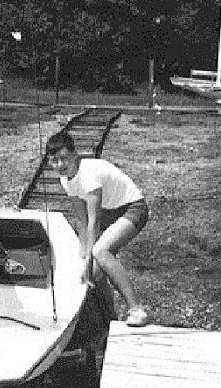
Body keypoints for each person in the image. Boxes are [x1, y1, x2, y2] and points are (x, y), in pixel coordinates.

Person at [46, 130, 150, 327]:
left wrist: (89, 259)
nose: (59, 165)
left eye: (64, 158)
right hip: (110, 211)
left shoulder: (88, 175)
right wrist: (83, 259)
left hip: (132, 208)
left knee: (101, 251)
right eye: (54, 161)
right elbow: (81, 220)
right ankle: (109, 319)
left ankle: (137, 310)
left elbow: (94, 222)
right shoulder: (66, 179)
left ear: (75, 155)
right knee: (93, 270)